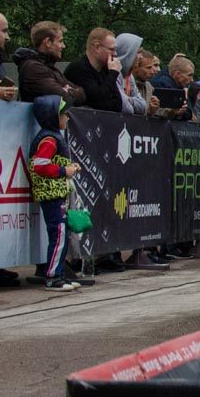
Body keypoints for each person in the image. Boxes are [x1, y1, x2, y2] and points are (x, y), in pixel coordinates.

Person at [29, 96, 83, 292]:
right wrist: (63, 171)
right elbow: (39, 165)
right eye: (63, 114)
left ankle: (58, 273)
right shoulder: (49, 139)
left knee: (62, 233)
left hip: (57, 191)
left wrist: (70, 167)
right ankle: (52, 277)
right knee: (59, 233)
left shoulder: (54, 136)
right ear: (53, 117)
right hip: (51, 193)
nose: (67, 117)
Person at [14, 22, 85, 105]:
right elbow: (64, 98)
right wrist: (70, 90)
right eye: (60, 41)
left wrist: (68, 91)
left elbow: (82, 95)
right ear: (48, 42)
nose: (63, 46)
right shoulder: (33, 68)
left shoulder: (49, 67)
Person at [64, 28, 124, 111]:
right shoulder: (78, 69)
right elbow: (97, 99)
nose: (115, 54)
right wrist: (113, 74)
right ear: (97, 47)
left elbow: (118, 104)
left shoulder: (105, 70)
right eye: (111, 49)